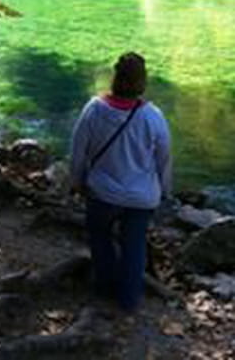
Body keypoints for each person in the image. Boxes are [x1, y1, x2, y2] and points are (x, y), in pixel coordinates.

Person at [70, 52, 171, 312]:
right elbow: (163, 159)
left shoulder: (94, 109)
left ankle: (104, 288)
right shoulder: (153, 116)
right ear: (142, 82)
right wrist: (165, 190)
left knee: (100, 236)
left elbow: (78, 151)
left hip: (102, 192)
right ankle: (129, 300)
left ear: (115, 78)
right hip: (141, 198)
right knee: (134, 246)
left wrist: (77, 181)